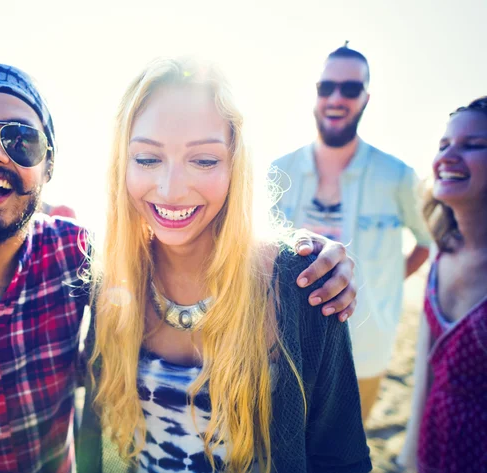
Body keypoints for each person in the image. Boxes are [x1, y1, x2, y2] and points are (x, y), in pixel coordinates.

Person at [0, 63, 357, 473]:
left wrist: (310, 254)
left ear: (48, 166)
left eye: (21, 141)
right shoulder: (104, 272)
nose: (171, 188)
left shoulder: (80, 259)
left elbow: (341, 456)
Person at [79, 57, 372, 473]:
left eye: (204, 160)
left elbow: (341, 458)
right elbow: (95, 437)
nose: (171, 188)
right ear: (121, 166)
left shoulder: (304, 284)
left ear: (237, 164)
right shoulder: (110, 278)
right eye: (147, 159)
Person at [271, 44, 432, 422]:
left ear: (366, 98)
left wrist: (385, 283)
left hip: (367, 348)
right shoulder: (278, 172)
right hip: (282, 350)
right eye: (326, 87)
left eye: (349, 88)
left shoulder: (397, 176)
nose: (336, 98)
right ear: (315, 93)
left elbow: (427, 240)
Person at [398, 97, 487, 473]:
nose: (448, 156)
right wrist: (411, 456)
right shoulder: (442, 251)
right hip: (434, 446)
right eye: (444, 145)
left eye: (472, 145)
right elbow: (426, 369)